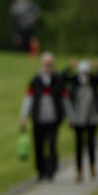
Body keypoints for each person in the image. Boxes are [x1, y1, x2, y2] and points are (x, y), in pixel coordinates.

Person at [19, 52, 67, 182]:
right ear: (42, 65)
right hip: (38, 118)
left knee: (52, 144)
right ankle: (41, 171)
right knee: (39, 146)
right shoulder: (35, 81)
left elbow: (64, 99)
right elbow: (28, 99)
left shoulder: (58, 80)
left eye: (50, 64)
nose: (48, 67)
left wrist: (70, 117)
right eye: (46, 64)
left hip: (53, 119)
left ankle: (51, 170)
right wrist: (23, 115)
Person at [62, 59, 98, 182]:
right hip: (78, 117)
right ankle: (79, 171)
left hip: (92, 117)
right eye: (82, 73)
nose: (84, 75)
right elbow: (62, 77)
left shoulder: (93, 80)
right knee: (78, 146)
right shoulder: (74, 81)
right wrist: (69, 67)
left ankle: (92, 166)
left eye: (86, 73)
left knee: (92, 143)